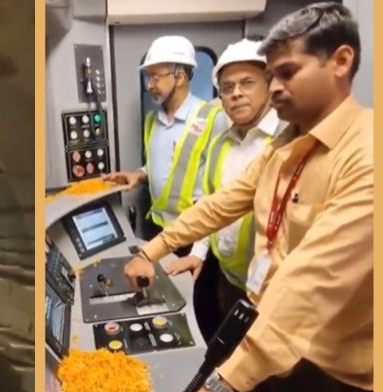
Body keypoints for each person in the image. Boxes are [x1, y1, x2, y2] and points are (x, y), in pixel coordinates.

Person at [124, 3, 372, 392]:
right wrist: (150, 251)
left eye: (285, 74)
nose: (274, 88)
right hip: (266, 323)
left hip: (331, 368)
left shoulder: (366, 153)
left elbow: (312, 283)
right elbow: (220, 203)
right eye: (271, 76)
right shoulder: (284, 146)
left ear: (340, 62)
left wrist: (224, 381)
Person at [103, 35, 228, 341]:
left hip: (199, 239)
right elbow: (165, 165)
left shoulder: (213, 119)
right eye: (147, 77)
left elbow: (219, 193)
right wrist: (138, 175)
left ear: (180, 76)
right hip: (162, 232)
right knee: (172, 313)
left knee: (201, 317)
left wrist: (199, 251)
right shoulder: (153, 120)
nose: (149, 85)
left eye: (155, 77)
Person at [165, 38, 287, 330]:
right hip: (230, 279)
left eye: (247, 83)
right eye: (228, 88)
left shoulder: (290, 142)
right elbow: (212, 205)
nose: (236, 94)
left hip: (276, 294)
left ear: (269, 84)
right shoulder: (221, 144)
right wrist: (197, 253)